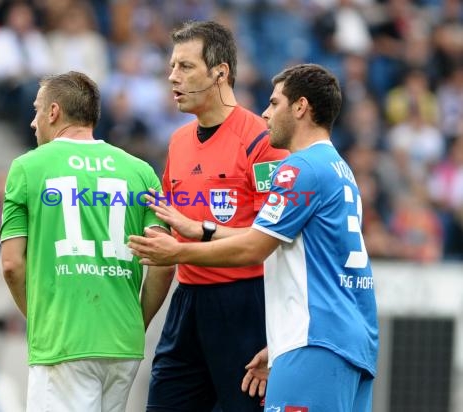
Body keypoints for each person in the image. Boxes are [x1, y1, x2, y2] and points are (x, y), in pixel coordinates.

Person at [129, 63, 379, 412]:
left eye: (275, 103)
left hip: (315, 343)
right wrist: (203, 230)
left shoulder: (299, 168)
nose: (265, 113)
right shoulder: (339, 168)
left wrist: (177, 253)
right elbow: (274, 239)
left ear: (300, 107)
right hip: (350, 342)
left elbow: (254, 248)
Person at [0, 71, 174, 412]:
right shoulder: (140, 171)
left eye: (37, 111)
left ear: (53, 112)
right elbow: (164, 263)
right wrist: (138, 321)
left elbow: (11, 265)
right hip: (122, 340)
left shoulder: (27, 168)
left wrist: (40, 319)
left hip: (64, 337)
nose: (34, 123)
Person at [143, 20, 288, 412]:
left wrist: (274, 335)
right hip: (186, 302)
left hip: (244, 305)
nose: (172, 77)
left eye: (185, 67)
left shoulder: (262, 140)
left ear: (220, 72)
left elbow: (264, 245)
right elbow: (168, 238)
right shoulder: (177, 141)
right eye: (172, 66)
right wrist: (139, 320)